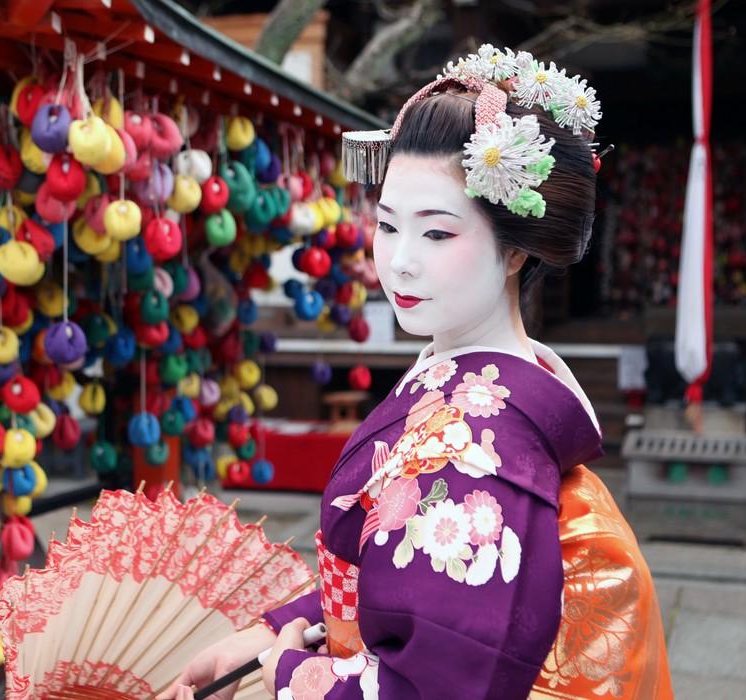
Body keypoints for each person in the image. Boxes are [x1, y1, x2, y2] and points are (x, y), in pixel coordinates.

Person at [160, 45, 672, 700]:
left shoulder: (476, 454)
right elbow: (405, 584)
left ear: (514, 250)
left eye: (437, 234)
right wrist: (272, 633)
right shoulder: (468, 392)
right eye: (387, 225)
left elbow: (439, 682)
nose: (398, 262)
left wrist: (294, 675)